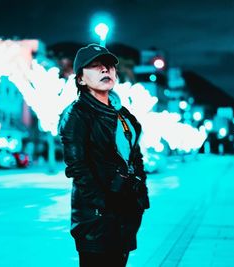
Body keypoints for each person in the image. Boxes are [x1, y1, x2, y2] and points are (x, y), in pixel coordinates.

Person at [59, 44, 150, 267]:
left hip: (125, 216)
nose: (105, 70)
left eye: (109, 66)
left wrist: (140, 196)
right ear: (80, 79)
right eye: (96, 66)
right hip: (96, 219)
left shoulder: (123, 115)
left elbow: (135, 157)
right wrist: (104, 204)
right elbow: (77, 168)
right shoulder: (76, 114)